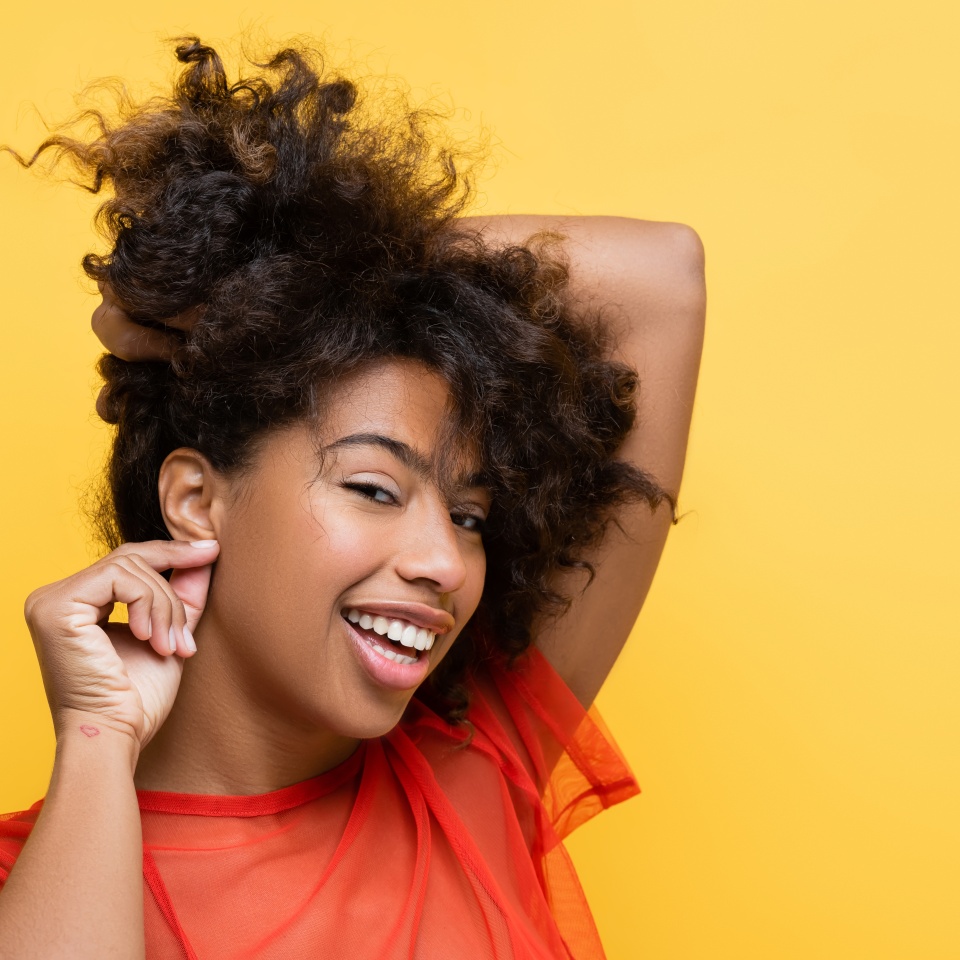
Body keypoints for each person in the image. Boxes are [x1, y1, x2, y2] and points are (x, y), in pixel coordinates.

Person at [0, 37, 704, 959]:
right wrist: (96, 736)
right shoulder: (32, 890)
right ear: (196, 501)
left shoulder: (473, 773)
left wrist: (299, 291)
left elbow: (662, 283)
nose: (446, 563)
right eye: (375, 487)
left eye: (469, 516)